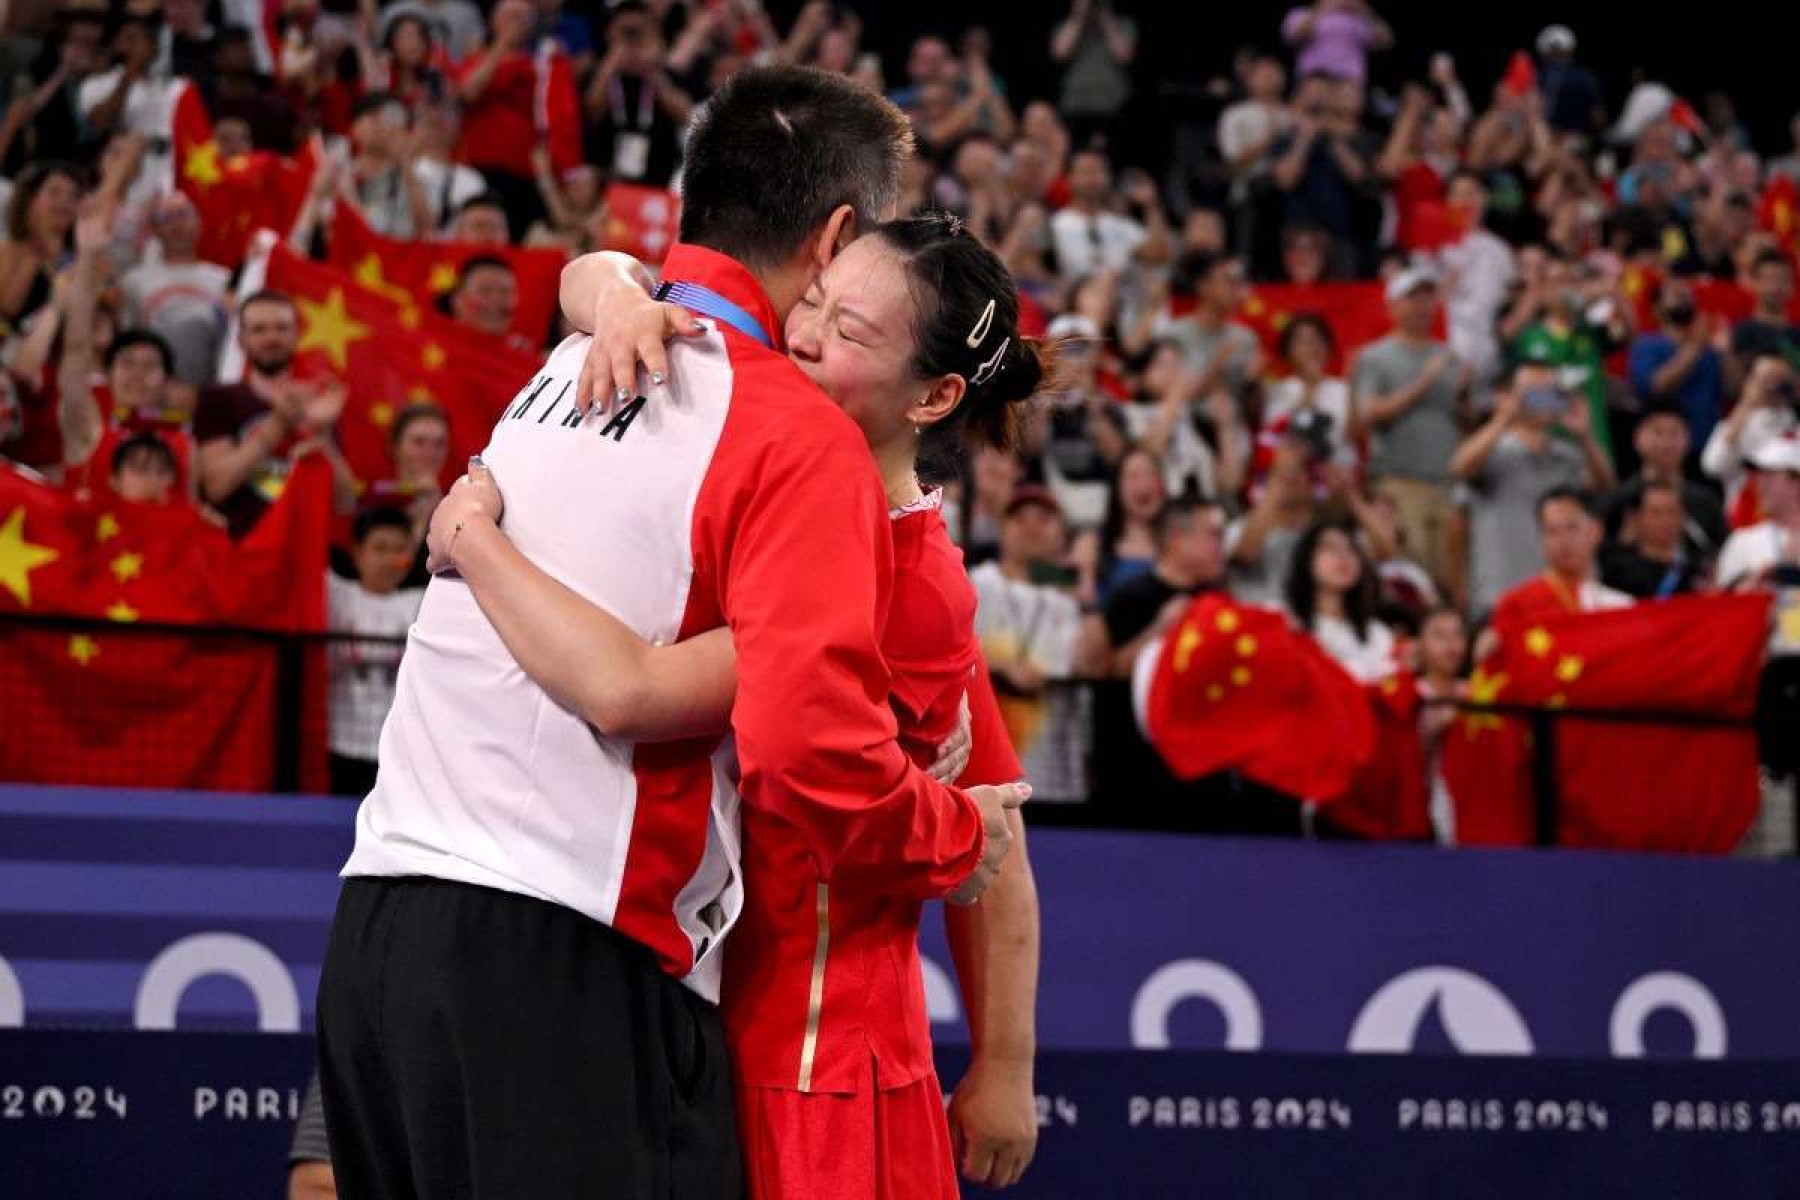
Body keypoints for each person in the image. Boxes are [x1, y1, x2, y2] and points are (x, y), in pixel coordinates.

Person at [319, 67, 1026, 1200]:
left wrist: (476, 529)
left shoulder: (576, 358)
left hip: (376, 925)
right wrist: (952, 832)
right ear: (837, 234)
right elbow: (784, 746)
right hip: (571, 960)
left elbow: (590, 278)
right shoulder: (792, 434)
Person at [446, 211, 1049, 1197]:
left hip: (812, 1068)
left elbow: (628, 690)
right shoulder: (798, 484)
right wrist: (616, 300)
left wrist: (472, 536)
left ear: (937, 396)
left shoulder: (907, 583)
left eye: (851, 334)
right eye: (813, 303)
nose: (805, 336)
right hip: (712, 1021)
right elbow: (596, 269)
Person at [1081, 497, 1247, 826]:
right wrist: (1161, 629)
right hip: (1136, 777)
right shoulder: (1128, 598)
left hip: (1203, 777)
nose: (1221, 546)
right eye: (1212, 535)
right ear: (1176, 538)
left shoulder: (1220, 602)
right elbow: (1104, 670)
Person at [1452, 360, 1618, 616]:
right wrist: (1503, 417)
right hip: (1501, 596)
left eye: (1551, 392)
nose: (1542, 400)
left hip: (1559, 601)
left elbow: (1607, 487)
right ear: (1506, 396)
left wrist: (1585, 436)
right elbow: (1460, 468)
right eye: (1532, 392)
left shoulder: (1568, 456)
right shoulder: (1492, 452)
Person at [194, 291, 356, 538]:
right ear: (241, 340)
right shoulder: (217, 399)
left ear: (297, 335)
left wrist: (320, 433)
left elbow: (344, 501)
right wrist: (278, 424)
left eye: (281, 328)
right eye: (259, 329)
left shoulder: (319, 399)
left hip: (303, 549)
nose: (271, 338)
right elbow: (216, 486)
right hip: (238, 549)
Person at [972, 486, 1091, 802]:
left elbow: (1091, 665)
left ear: (1061, 534)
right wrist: (1003, 667)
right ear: (1002, 529)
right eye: (1020, 518)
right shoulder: (976, 583)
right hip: (984, 770)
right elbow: (942, 648)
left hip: (1054, 770)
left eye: (1043, 519)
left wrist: (1086, 588)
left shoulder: (1070, 602)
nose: (1032, 527)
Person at [1353, 267, 1466, 591]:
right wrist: (1423, 382)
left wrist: (1466, 400)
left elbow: (1457, 419)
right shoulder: (1375, 357)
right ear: (1392, 307)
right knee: (1410, 577)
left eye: (1428, 296)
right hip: (1400, 482)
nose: (1422, 305)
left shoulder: (1448, 356)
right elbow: (1369, 413)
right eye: (1412, 297)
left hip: (1446, 481)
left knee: (1450, 576)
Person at [327, 507, 426, 798]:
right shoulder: (336, 594)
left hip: (398, 750)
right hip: (339, 744)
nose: (390, 559)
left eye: (399, 549)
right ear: (357, 552)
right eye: (380, 548)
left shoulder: (422, 602)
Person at [1486, 487, 1632, 638]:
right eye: (1552, 531)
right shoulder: (1516, 605)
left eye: (1572, 528)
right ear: (1541, 539)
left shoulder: (1621, 606)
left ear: (1596, 531)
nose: (1563, 541)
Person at [120, 192, 230, 390]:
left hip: (211, 390)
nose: (176, 225)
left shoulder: (224, 279)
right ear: (154, 229)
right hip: (150, 389)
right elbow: (127, 339)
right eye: (166, 218)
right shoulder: (133, 281)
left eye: (183, 215)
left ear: (199, 222)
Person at [1605, 399, 1727, 562]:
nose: (1666, 442)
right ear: (1637, 438)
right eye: (1657, 432)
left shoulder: (1705, 500)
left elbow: (1722, 549)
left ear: (1688, 439)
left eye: (1674, 433)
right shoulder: (1621, 500)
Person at [1284, 517, 1395, 683]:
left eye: (1351, 549)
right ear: (1306, 560)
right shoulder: (1284, 622)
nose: (1343, 556)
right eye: (1329, 547)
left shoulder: (1378, 634)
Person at [1627, 274, 1727, 451]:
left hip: (1708, 442)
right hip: (1666, 447)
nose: (1685, 299)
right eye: (1677, 295)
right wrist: (1696, 346)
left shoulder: (1708, 350)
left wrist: (1726, 350)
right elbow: (1657, 386)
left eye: (1688, 295)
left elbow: (1731, 389)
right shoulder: (1647, 345)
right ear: (1657, 309)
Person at [1049, 149, 1172, 282]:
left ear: (1108, 177)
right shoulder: (1053, 225)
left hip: (1122, 300)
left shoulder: (1122, 225)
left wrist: (1151, 206)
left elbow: (1159, 255)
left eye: (1098, 171)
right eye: (1085, 172)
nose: (1092, 179)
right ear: (1069, 178)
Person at [1074, 444, 1166, 605]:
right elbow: (1086, 609)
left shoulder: (1179, 543)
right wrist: (1086, 571)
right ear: (1117, 489)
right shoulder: (1094, 545)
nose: (1144, 484)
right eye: (1133, 476)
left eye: (1151, 474)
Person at [1413, 606, 1469, 844]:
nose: (1451, 645)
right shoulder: (1410, 694)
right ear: (1419, 645)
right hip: (1420, 810)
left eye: (1457, 635)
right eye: (1439, 636)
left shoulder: (1475, 691)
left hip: (1464, 807)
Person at [1600, 480, 1707, 599]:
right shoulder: (1615, 568)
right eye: (1656, 512)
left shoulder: (1699, 568)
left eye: (1671, 511)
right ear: (1634, 518)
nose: (1665, 520)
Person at [1281, 1, 1393, 87]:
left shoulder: (1359, 20)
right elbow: (1295, 36)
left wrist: (1366, 12)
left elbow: (1386, 42)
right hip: (1314, 77)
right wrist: (1321, 8)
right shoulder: (1301, 13)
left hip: (1349, 80)